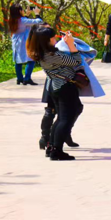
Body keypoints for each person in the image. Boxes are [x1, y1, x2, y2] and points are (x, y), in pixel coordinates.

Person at [28, 25, 84, 161]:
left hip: (56, 87)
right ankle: (56, 151)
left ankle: (51, 148)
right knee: (65, 120)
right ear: (46, 40)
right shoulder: (52, 55)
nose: (55, 39)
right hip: (65, 87)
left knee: (61, 119)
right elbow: (76, 61)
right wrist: (71, 44)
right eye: (53, 37)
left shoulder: (44, 53)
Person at [7, 3, 43, 86]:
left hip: (16, 42)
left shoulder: (12, 20)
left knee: (18, 61)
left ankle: (19, 78)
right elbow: (38, 21)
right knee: (31, 59)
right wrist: (37, 13)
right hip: (24, 42)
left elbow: (23, 22)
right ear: (19, 11)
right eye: (22, 10)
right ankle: (27, 78)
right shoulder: (23, 20)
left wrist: (27, 15)